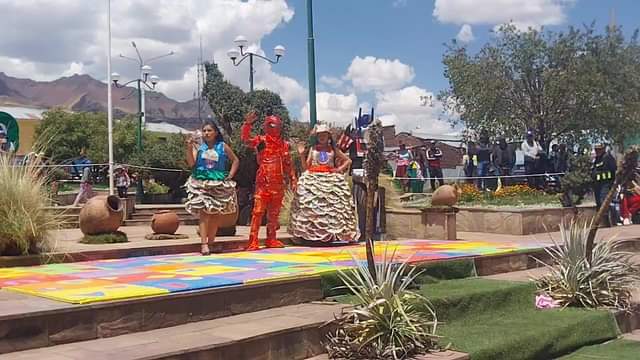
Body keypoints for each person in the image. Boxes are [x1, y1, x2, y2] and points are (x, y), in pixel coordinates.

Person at [289, 124, 358, 244]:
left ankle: (332, 234)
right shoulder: (313, 149)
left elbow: (348, 161)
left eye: (324, 135)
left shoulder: (333, 150)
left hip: (330, 177)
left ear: (328, 136)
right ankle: (309, 235)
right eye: (320, 135)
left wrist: (338, 169)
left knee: (333, 206)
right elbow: (306, 167)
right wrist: (301, 155)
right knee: (310, 204)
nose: (322, 137)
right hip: (313, 177)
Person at [241, 111, 297, 251]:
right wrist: (247, 124)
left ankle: (271, 238)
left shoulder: (284, 145)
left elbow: (288, 163)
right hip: (263, 183)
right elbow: (246, 140)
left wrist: (293, 179)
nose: (275, 129)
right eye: (271, 125)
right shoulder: (262, 141)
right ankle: (253, 239)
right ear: (266, 127)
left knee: (274, 214)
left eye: (277, 126)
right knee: (258, 211)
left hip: (278, 184)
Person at [185, 120, 239, 255]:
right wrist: (188, 148)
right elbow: (192, 164)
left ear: (215, 132)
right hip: (202, 182)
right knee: (204, 213)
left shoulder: (222, 146)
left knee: (215, 214)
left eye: (209, 130)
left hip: (218, 182)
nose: (206, 133)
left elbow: (235, 160)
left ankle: (211, 243)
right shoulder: (199, 147)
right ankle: (204, 244)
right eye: (204, 131)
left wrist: (230, 175)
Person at [591, 143, 617, 220]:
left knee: (603, 201)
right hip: (597, 184)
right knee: (598, 202)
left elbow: (613, 169)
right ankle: (601, 220)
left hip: (606, 183)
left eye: (599, 149)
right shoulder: (597, 159)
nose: (597, 151)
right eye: (596, 149)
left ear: (603, 149)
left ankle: (608, 219)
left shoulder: (608, 157)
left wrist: (601, 174)